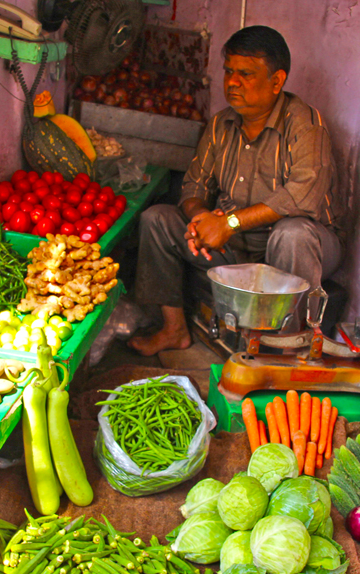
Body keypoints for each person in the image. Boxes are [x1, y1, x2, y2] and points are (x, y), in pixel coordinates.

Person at [129, 25, 344, 357]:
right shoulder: (220, 125)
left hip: (300, 247)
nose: (232, 82)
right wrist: (202, 219)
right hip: (235, 245)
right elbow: (193, 186)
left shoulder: (305, 124)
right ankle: (174, 329)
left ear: (277, 81)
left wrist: (227, 224)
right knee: (157, 218)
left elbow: (300, 197)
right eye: (229, 71)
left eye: (245, 74)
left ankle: (286, 354)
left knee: (291, 234)